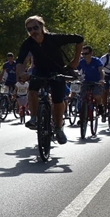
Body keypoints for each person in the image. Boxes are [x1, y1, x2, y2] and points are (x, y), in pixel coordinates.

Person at [16, 15, 83, 144]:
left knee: (58, 100)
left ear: (42, 26)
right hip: (39, 71)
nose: (33, 31)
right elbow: (20, 61)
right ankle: (34, 118)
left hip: (57, 71)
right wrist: (21, 73)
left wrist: (75, 61)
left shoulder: (54, 38)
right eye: (29, 29)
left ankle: (58, 128)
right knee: (33, 90)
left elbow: (79, 39)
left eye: (36, 27)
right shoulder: (28, 43)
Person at [76, 45, 104, 119]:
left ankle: (100, 106)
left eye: (86, 53)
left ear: (91, 53)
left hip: (97, 82)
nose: (84, 55)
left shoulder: (97, 61)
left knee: (96, 95)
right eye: (83, 54)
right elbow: (76, 70)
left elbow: (101, 71)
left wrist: (102, 79)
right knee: (82, 98)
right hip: (86, 82)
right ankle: (83, 116)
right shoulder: (81, 62)